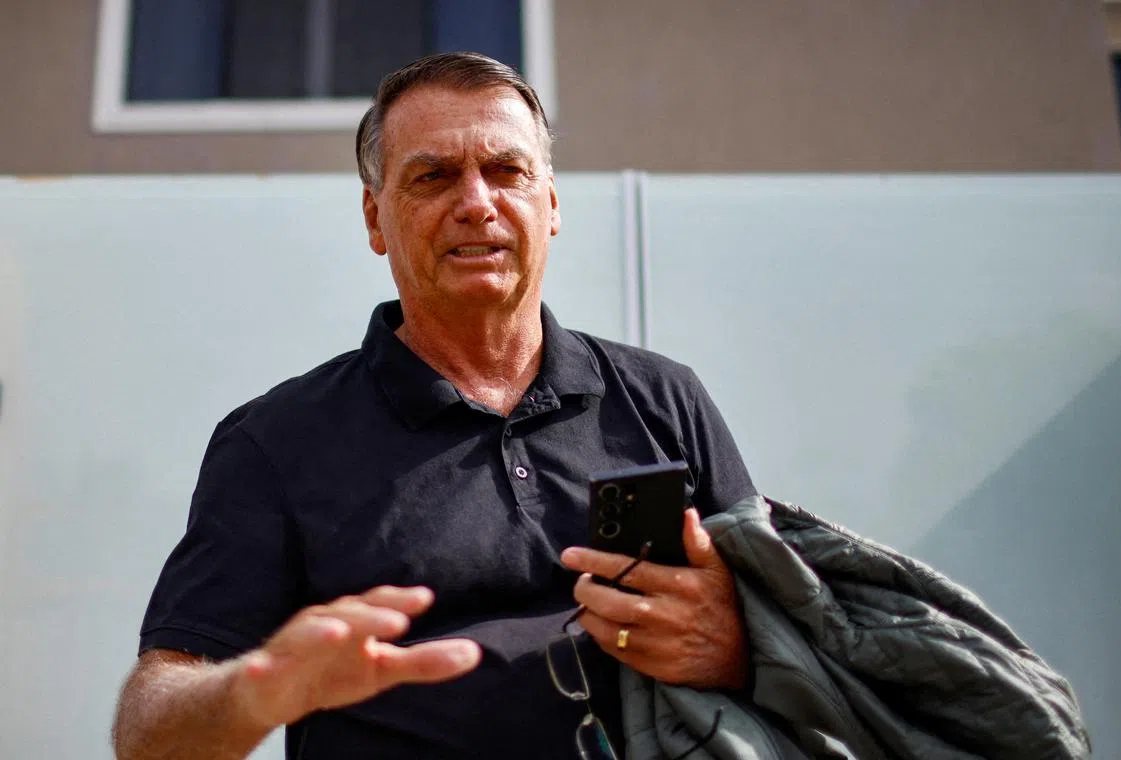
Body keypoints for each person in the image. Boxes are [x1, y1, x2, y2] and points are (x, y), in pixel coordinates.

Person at [111, 52, 757, 759]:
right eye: (434, 175)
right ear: (375, 216)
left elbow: (799, 639)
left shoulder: (664, 399)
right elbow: (151, 734)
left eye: (507, 171)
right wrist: (260, 688)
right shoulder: (276, 441)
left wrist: (734, 646)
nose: (477, 201)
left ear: (551, 203)